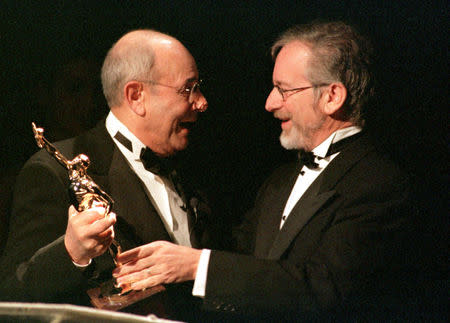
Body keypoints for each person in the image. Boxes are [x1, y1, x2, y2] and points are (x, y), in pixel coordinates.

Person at [111, 21, 421, 321]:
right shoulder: (279, 182)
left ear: (332, 97)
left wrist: (197, 265)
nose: (270, 104)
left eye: (283, 90)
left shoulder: (377, 183)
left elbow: (324, 290)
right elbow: (239, 262)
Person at [0, 29, 212, 320]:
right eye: (188, 88)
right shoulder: (53, 173)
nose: (202, 102)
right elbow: (10, 297)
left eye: (199, 87)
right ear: (136, 96)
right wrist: (69, 253)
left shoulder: (193, 166)